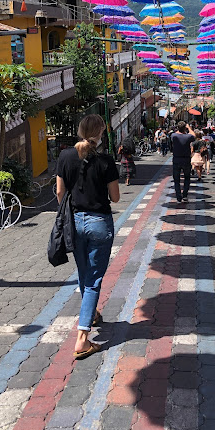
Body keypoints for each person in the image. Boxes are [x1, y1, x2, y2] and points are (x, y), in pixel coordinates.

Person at [56, 114, 120, 359]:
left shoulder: (64, 156)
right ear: (101, 132)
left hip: (74, 222)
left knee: (84, 274)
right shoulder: (105, 160)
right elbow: (115, 197)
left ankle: (91, 314)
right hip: (99, 223)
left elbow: (60, 192)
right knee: (93, 280)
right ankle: (82, 338)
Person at [171, 120, 196, 202]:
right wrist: (189, 128)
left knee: (176, 179)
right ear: (185, 128)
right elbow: (194, 135)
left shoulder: (174, 136)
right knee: (187, 177)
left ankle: (178, 196)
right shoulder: (188, 137)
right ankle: (185, 195)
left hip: (176, 159)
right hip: (186, 159)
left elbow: (174, 134)